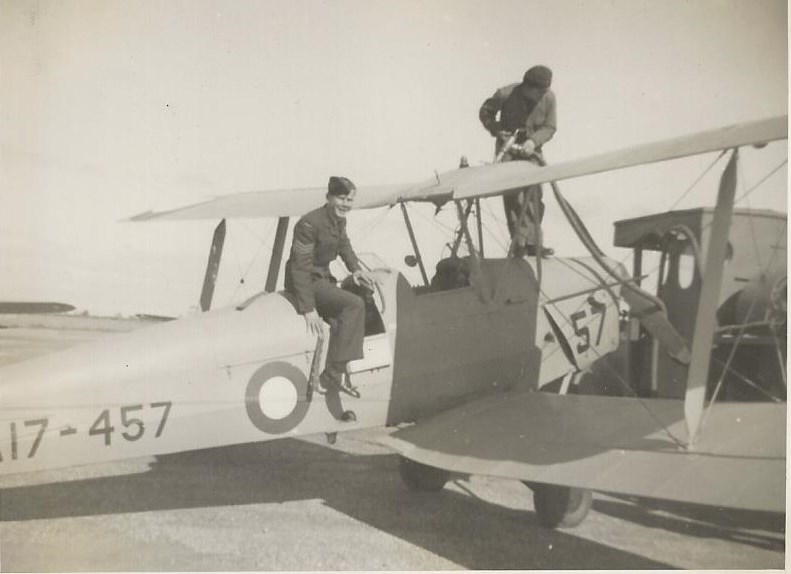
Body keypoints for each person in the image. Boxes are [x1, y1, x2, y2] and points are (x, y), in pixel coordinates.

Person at [285, 176, 377, 397]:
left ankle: (337, 374)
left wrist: (355, 269)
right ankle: (333, 373)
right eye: (342, 198)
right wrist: (308, 308)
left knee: (340, 321)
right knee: (355, 305)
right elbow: (299, 269)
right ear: (329, 197)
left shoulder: (338, 220)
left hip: (322, 279)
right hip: (308, 282)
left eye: (350, 200)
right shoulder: (309, 224)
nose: (346, 204)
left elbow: (344, 244)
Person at [479, 65, 557, 257]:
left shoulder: (549, 97)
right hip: (508, 148)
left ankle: (535, 244)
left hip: (532, 151)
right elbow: (485, 112)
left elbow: (550, 127)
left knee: (534, 195)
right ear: (525, 87)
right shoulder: (505, 94)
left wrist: (533, 141)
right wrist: (496, 130)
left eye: (543, 92)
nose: (539, 96)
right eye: (536, 92)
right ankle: (519, 244)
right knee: (514, 197)